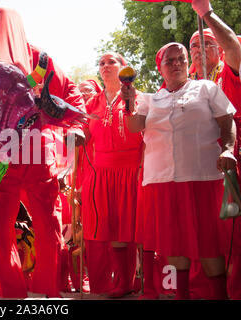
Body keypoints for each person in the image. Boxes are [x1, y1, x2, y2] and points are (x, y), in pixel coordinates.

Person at [0, 7, 86, 298]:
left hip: (31, 152)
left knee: (39, 222)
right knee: (5, 226)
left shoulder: (36, 56)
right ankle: (15, 292)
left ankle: (44, 288)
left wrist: (75, 126)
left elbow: (72, 93)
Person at [125, 42, 237, 300]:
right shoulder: (150, 99)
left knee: (209, 242)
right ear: (160, 68)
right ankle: (182, 295)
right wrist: (129, 104)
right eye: (169, 61)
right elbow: (133, 126)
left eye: (181, 59)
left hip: (203, 176)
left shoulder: (206, 88)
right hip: (161, 179)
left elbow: (226, 120)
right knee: (174, 243)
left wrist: (228, 149)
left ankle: (220, 295)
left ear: (188, 63)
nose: (176, 64)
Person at [188, 0, 241, 299]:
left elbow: (234, 46)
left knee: (232, 237)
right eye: (194, 47)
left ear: (218, 49)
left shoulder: (230, 70)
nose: (198, 50)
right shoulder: (185, 83)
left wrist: (205, 14)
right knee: (202, 237)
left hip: (231, 163)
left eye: (206, 43)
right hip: (196, 169)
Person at [81, 52, 142, 298]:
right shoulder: (92, 103)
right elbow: (85, 137)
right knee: (112, 228)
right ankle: (122, 282)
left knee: (132, 227)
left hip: (131, 168)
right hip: (102, 171)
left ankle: (136, 281)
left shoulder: (138, 96)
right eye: (102, 63)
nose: (106, 66)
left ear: (124, 68)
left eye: (112, 62)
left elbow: (145, 133)